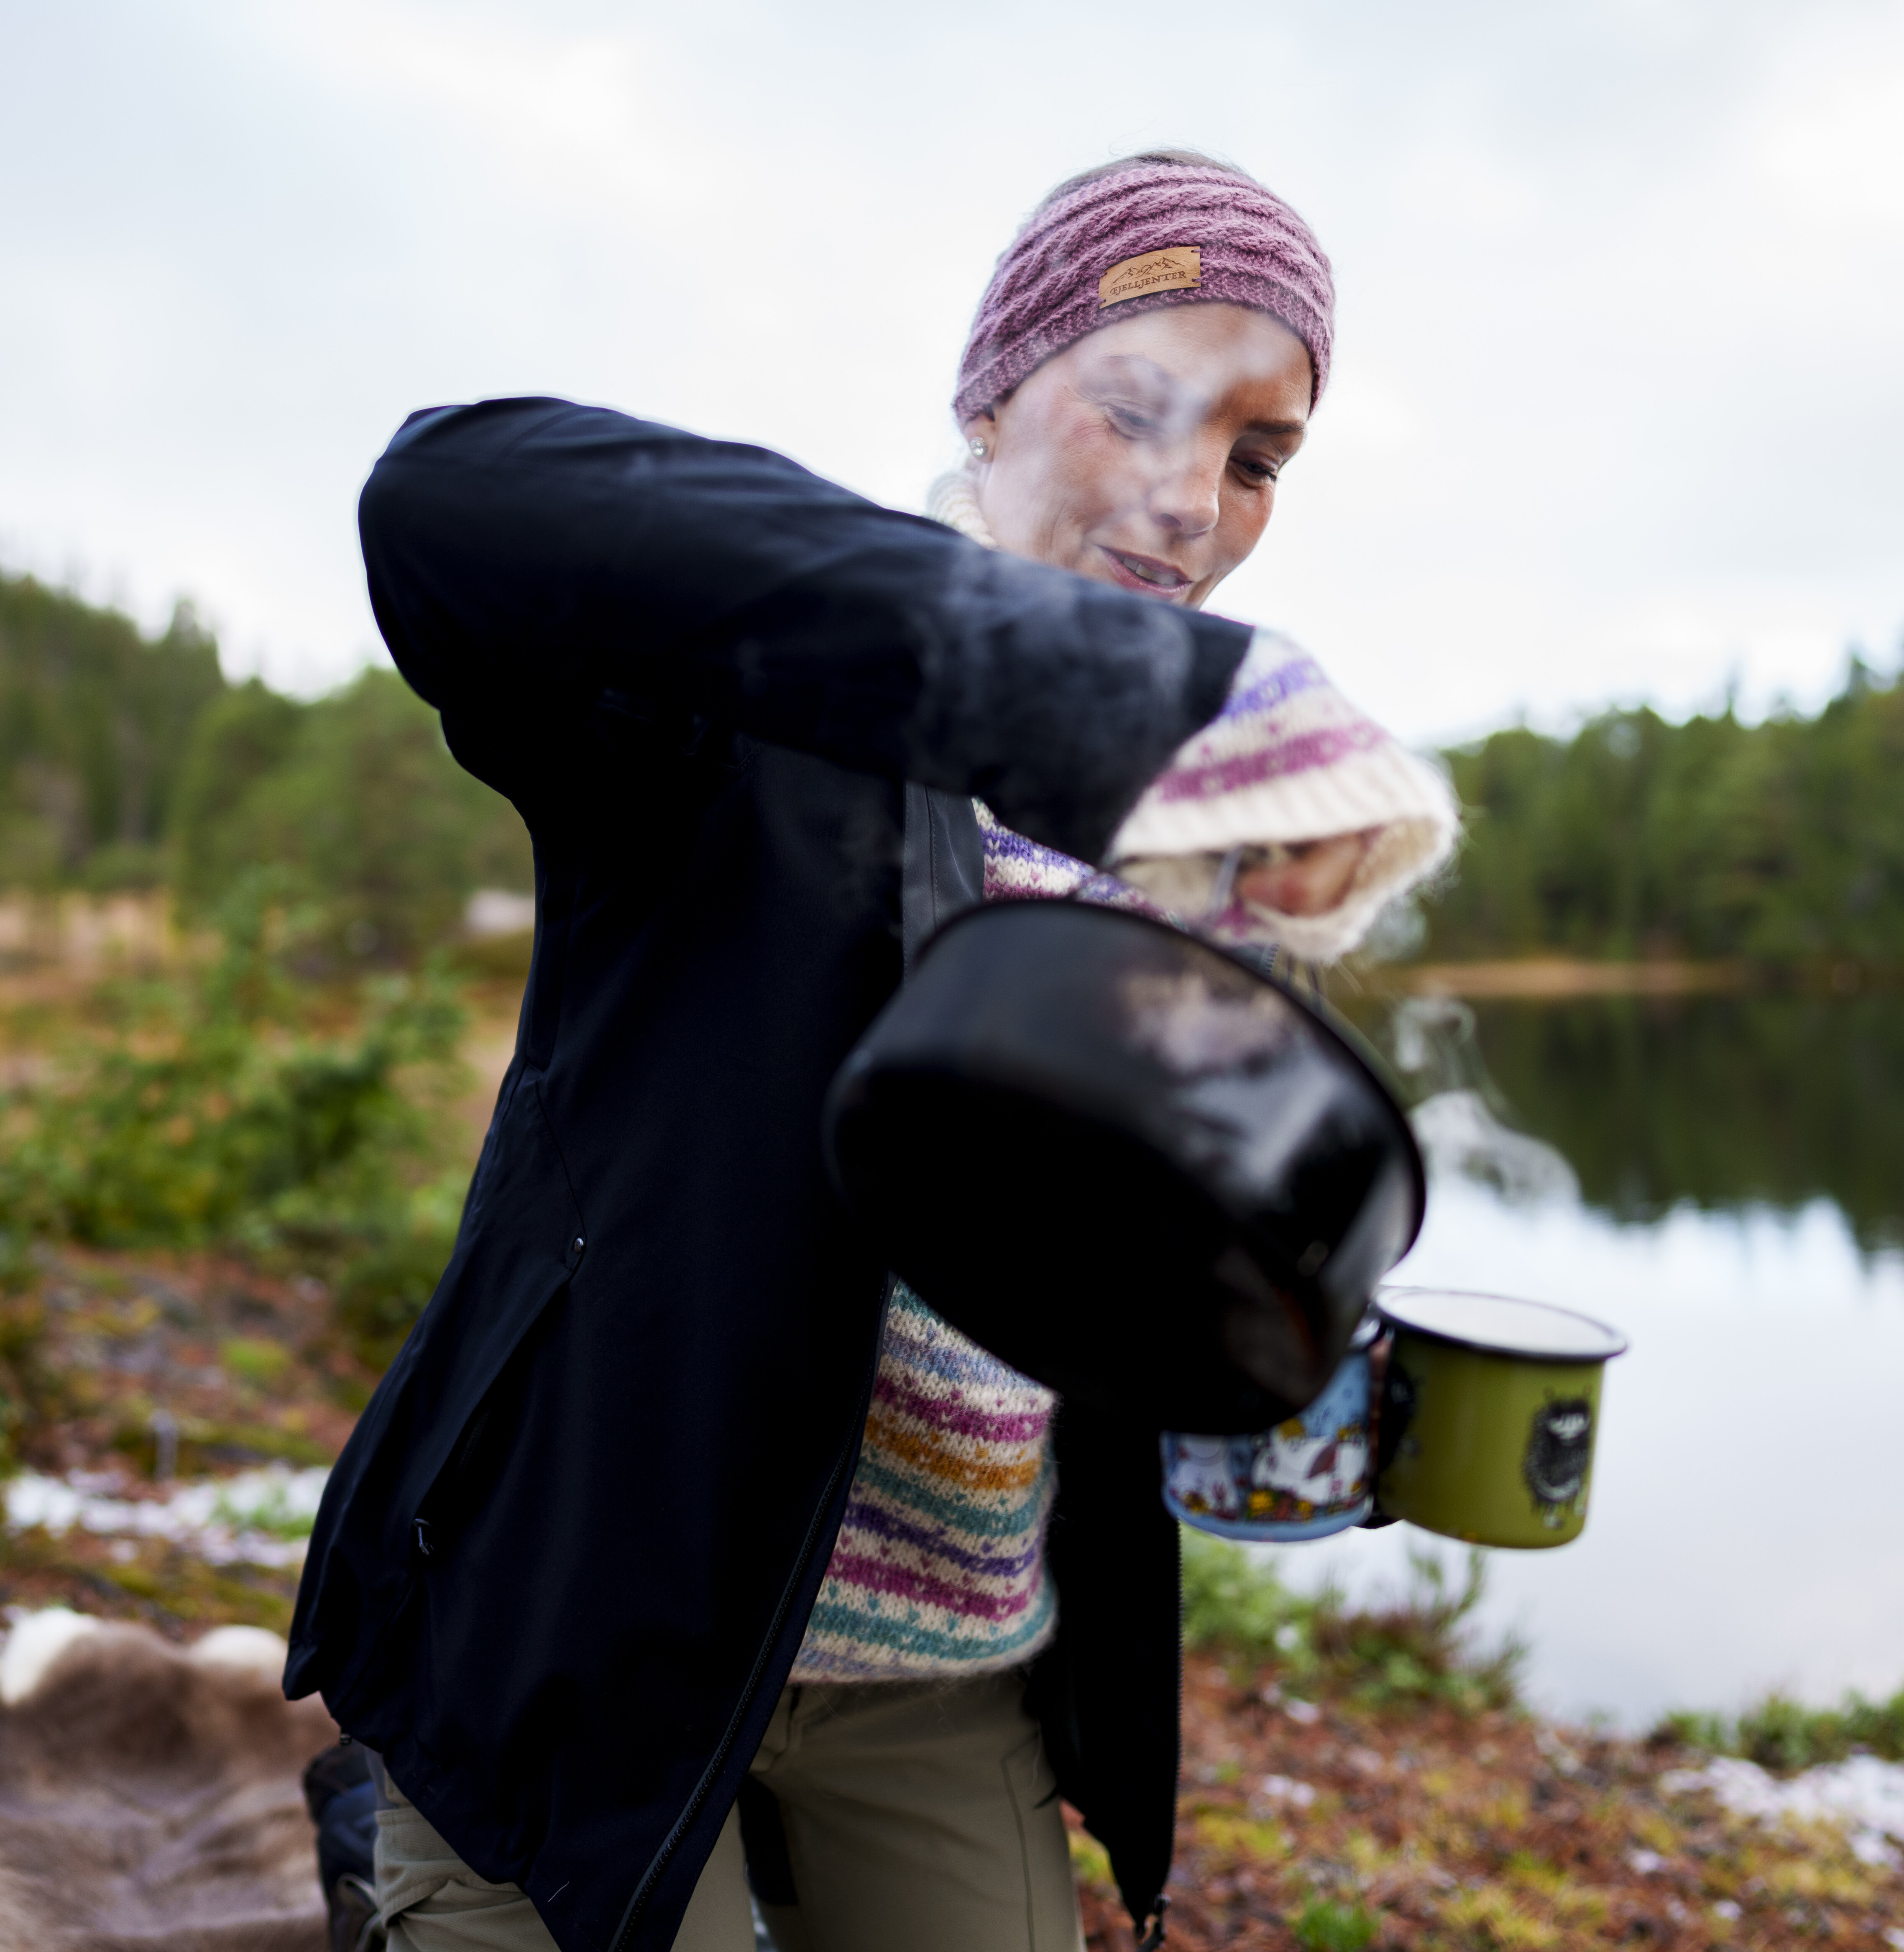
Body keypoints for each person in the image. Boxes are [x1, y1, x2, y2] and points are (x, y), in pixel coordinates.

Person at [287, 152, 1458, 1952]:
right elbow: (442, 493)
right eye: (1134, 405)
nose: (1191, 503)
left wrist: (1282, 1339)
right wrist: (1101, 685)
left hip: (952, 1669)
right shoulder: (738, 679)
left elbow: (1077, 1248)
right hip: (596, 1610)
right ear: (991, 397)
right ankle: (405, 1842)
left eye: (1254, 457)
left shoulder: (1192, 842)